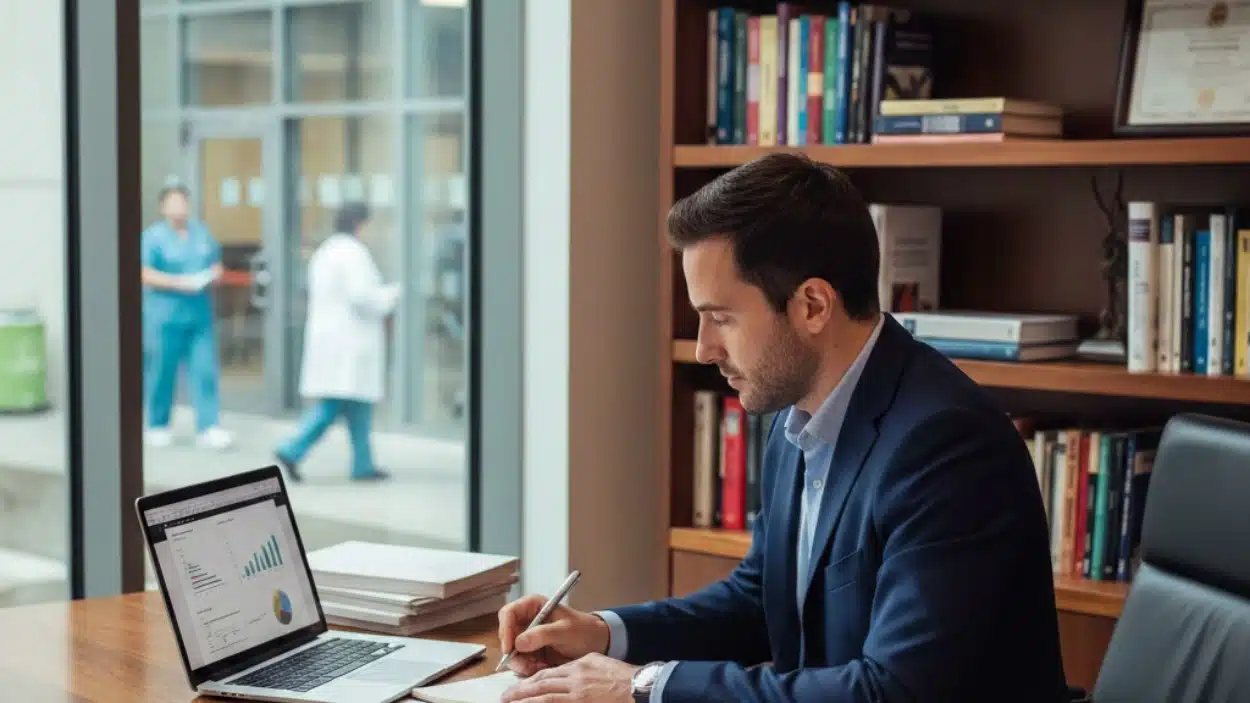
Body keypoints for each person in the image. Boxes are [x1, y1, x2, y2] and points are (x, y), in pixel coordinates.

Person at [496, 153, 1068, 703]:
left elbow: (893, 692)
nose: (702, 349)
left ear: (813, 305)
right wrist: (600, 633)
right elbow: (762, 604)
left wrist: (642, 687)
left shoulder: (945, 448)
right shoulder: (799, 415)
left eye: (721, 318)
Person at [274, 202, 398, 482]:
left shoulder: (327, 251)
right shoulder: (352, 253)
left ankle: (363, 465)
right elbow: (361, 296)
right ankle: (292, 449)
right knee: (334, 405)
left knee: (359, 406)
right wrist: (390, 296)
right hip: (349, 343)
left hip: (336, 342)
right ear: (360, 224)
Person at [141, 184, 234, 451]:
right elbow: (144, 273)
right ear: (163, 207)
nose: (178, 208)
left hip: (198, 315)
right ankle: (158, 424)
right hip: (165, 315)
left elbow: (216, 263)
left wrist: (212, 275)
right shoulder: (153, 237)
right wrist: (180, 282)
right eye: (173, 203)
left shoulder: (201, 233)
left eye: (182, 202)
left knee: (204, 370)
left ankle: (209, 426)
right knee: (161, 371)